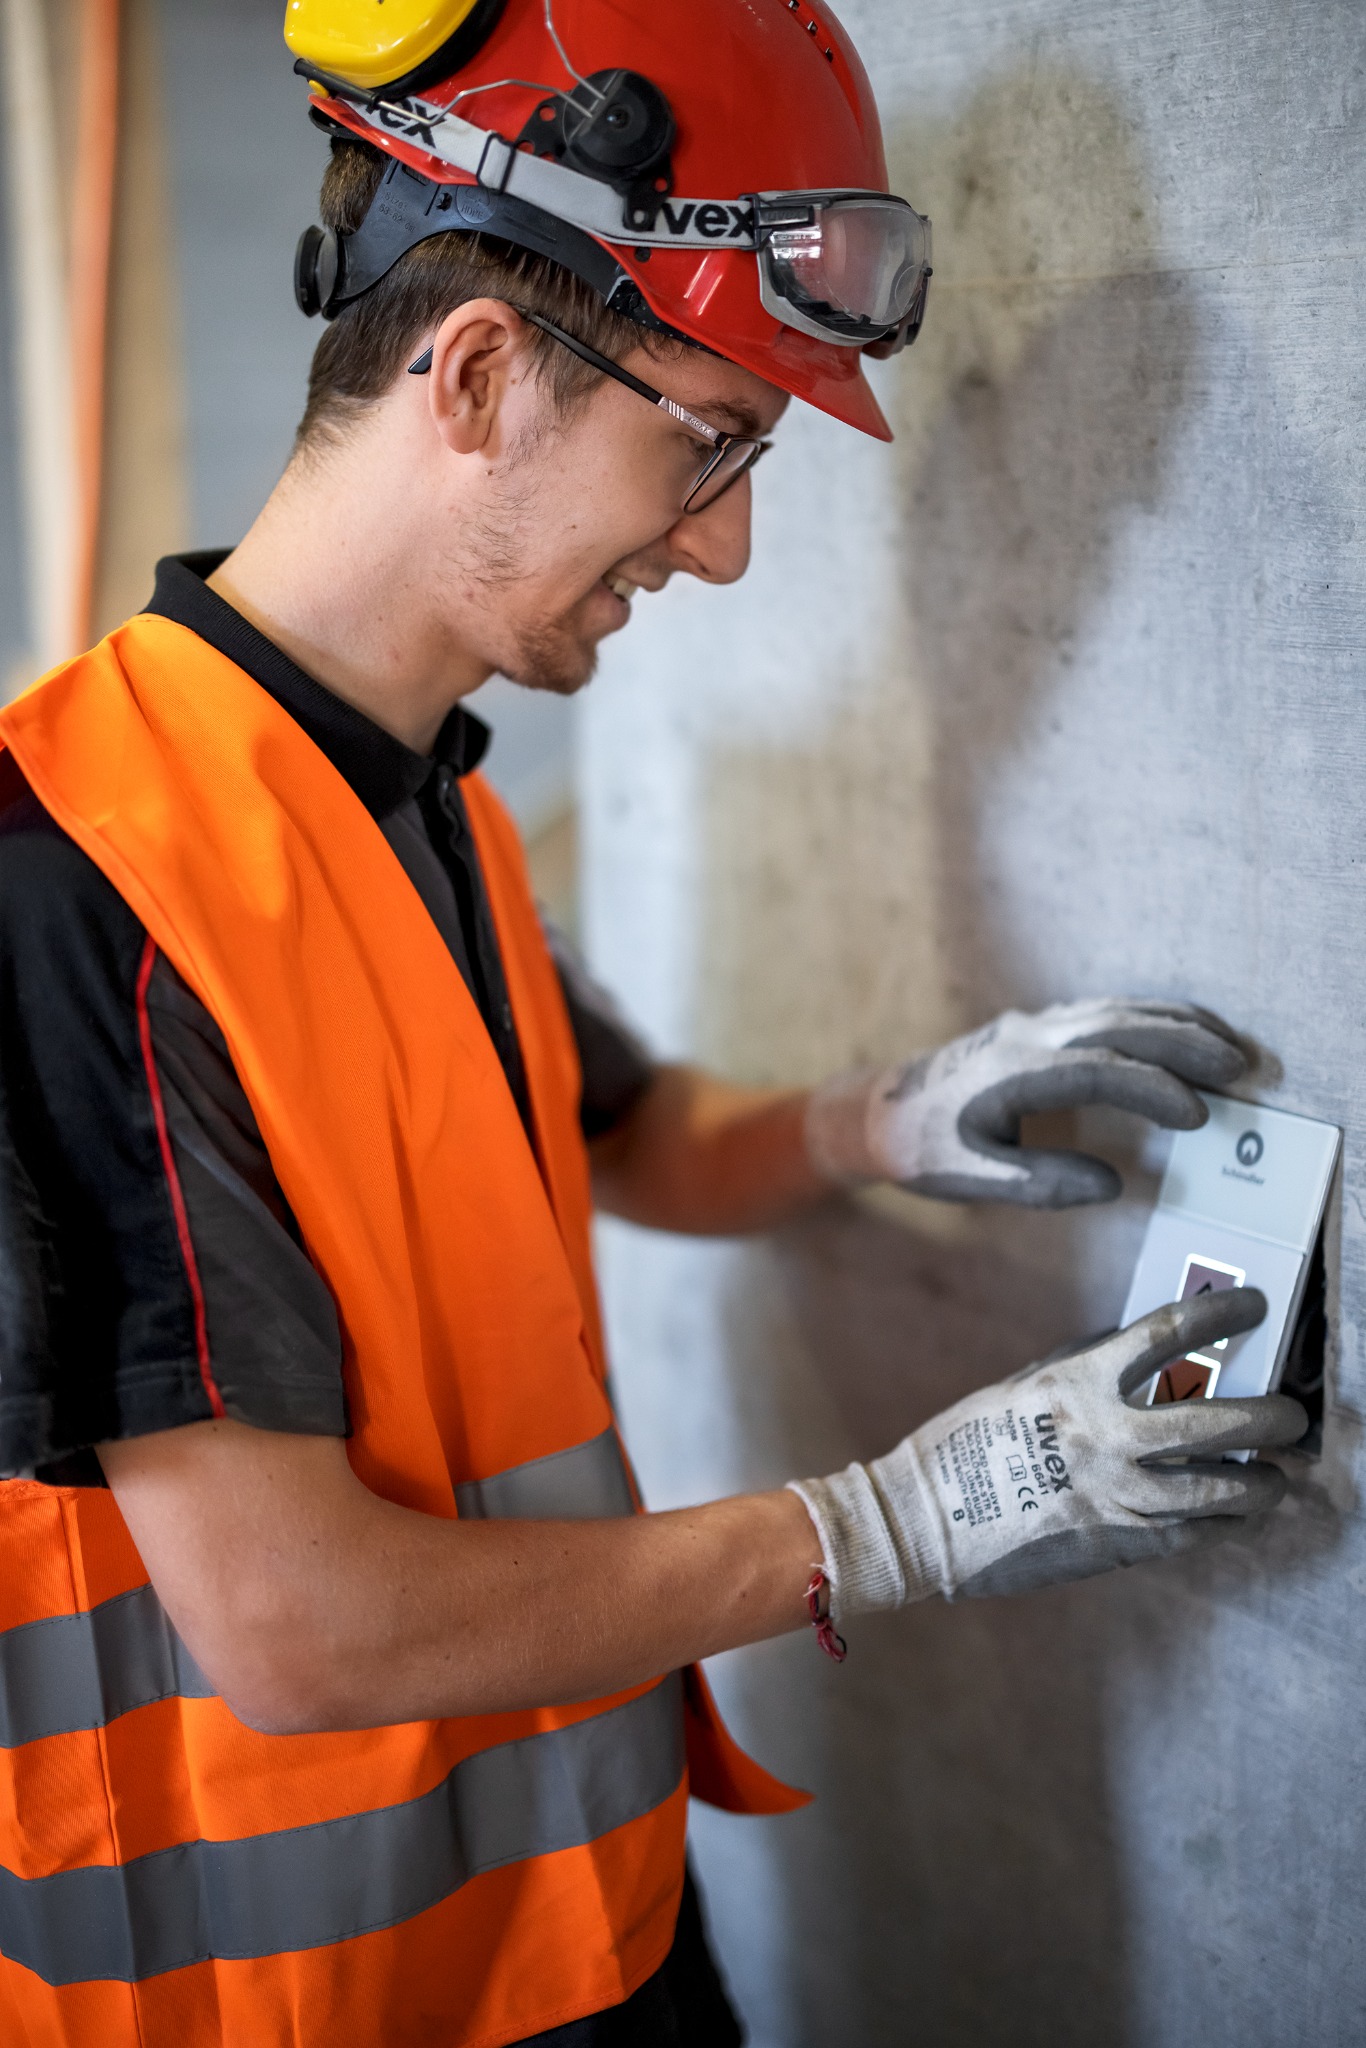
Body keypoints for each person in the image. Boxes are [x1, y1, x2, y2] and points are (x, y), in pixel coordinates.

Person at [0, 2, 1305, 2042]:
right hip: (300, 2003)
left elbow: (607, 1132)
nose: (723, 543)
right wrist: (899, 1520)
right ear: (477, 374)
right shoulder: (71, 873)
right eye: (707, 441)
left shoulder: (409, 795)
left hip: (583, 1932)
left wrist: (888, 1120)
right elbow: (297, 1630)